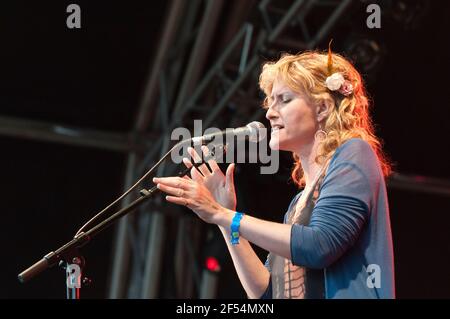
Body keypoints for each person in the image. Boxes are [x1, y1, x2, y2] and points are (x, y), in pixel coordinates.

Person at [153, 46, 395, 299]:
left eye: (285, 99)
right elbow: (267, 293)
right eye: (270, 102)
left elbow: (320, 245)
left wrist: (223, 215)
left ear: (322, 108)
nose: (269, 112)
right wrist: (225, 222)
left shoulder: (354, 153)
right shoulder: (297, 204)